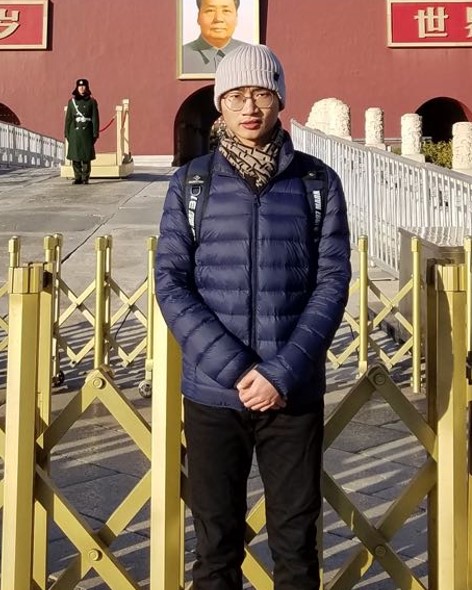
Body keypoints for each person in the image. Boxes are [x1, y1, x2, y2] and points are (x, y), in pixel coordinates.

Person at [156, 44, 351, 590]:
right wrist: (238, 369)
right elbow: (171, 281)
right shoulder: (191, 185)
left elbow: (332, 281)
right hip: (214, 395)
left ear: (280, 99)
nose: (249, 107)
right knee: (215, 547)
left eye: (261, 93)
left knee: (296, 544)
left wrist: (281, 373)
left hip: (292, 393)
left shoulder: (317, 184)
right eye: (236, 95)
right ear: (219, 103)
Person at [182, 0, 247, 75]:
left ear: (236, 17)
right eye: (210, 10)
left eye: (226, 11)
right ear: (198, 17)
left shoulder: (251, 56)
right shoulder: (179, 57)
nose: (218, 19)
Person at [64, 78, 100, 185]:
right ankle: (78, 177)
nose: (82, 88)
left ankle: (85, 177)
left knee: (85, 156)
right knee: (75, 156)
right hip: (74, 132)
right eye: (80, 86)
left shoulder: (92, 102)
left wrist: (95, 133)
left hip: (86, 132)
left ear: (87, 87)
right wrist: (66, 133)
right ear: (77, 87)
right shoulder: (72, 102)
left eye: (83, 86)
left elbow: (95, 118)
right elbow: (68, 119)